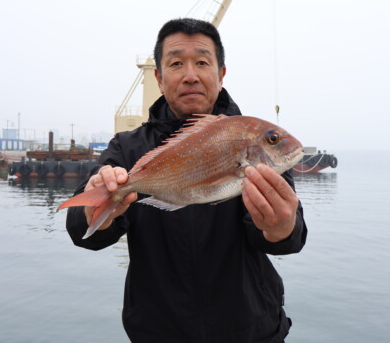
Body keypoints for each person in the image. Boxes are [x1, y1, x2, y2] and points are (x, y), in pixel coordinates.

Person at [66, 18, 307, 343]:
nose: (190, 74)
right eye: (176, 63)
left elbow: (289, 238)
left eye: (203, 62)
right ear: (159, 77)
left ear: (221, 74)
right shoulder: (127, 148)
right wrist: (97, 209)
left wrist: (282, 227)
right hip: (157, 333)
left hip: (254, 331)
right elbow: (82, 232)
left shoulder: (253, 139)